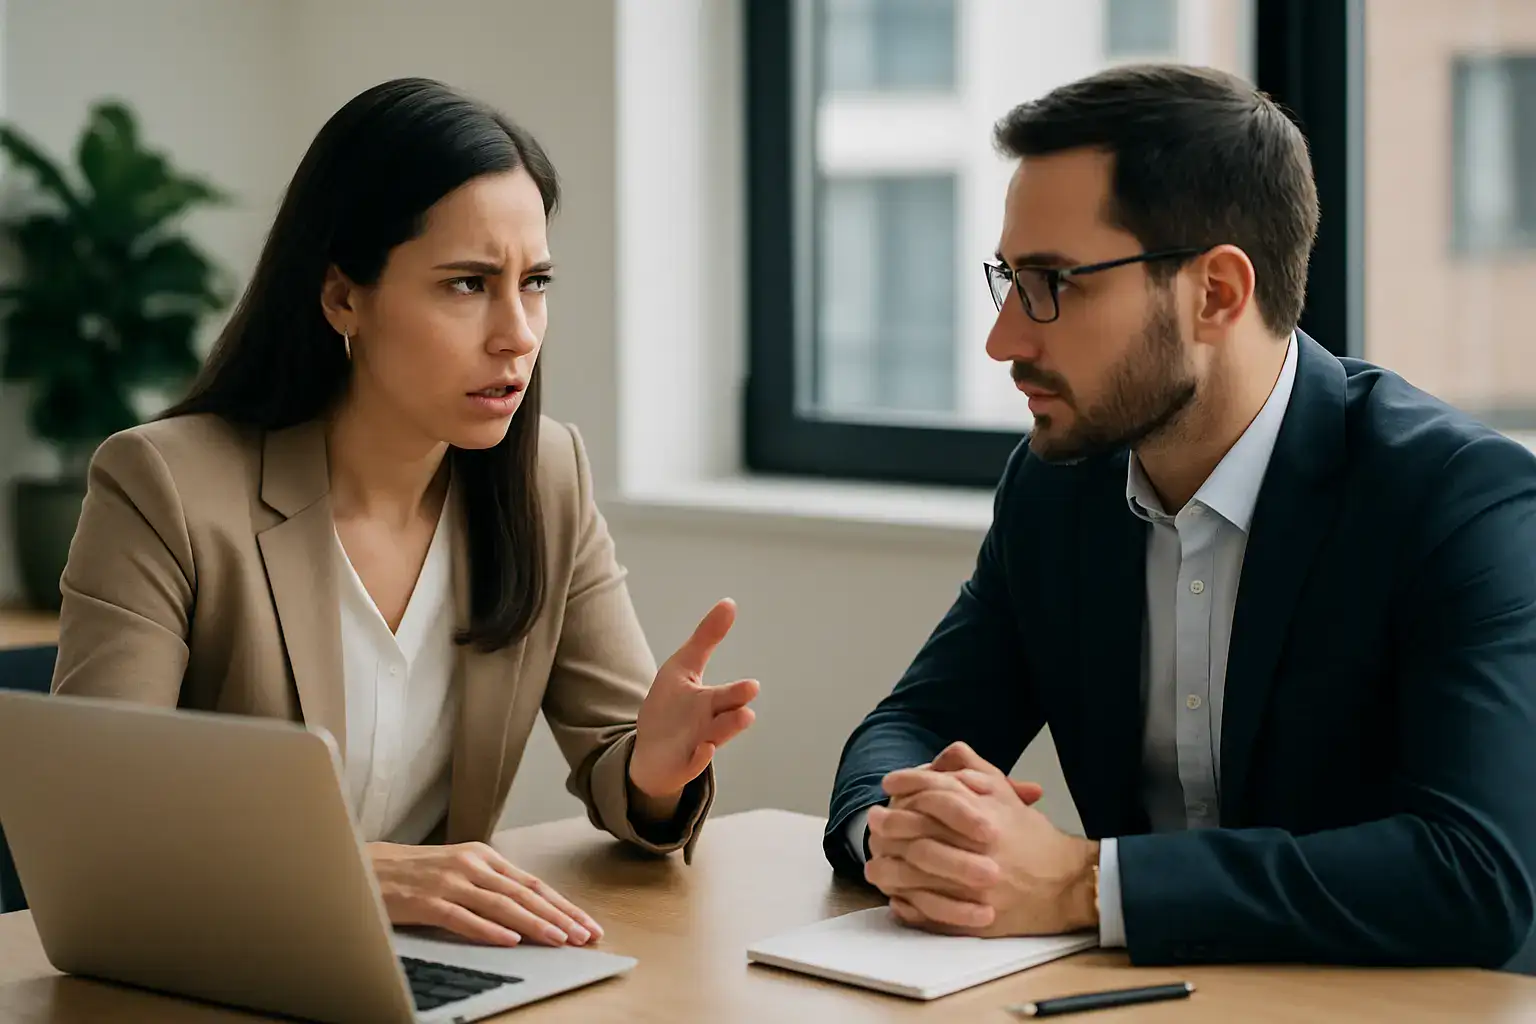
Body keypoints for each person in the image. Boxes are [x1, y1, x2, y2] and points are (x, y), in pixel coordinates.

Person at [825, 63, 1536, 970]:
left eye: (1055, 283)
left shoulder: (1460, 499)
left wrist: (1084, 883)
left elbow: (1475, 875)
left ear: (1216, 294)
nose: (1005, 339)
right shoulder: (1059, 487)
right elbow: (911, 727)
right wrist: (899, 835)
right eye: (1008, 278)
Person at [52, 78, 760, 951]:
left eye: (533, 282)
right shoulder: (163, 487)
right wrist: (357, 873)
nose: (518, 333)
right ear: (343, 297)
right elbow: (104, 829)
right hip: (221, 966)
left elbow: (622, 765)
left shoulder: (545, 478)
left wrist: (653, 770)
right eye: (467, 285)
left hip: (432, 969)